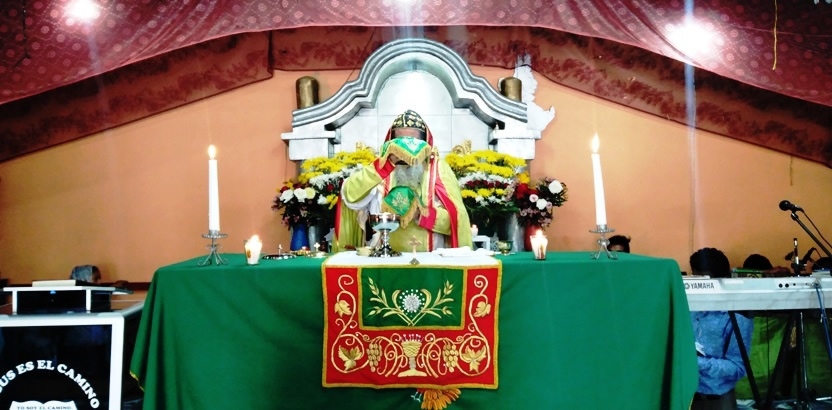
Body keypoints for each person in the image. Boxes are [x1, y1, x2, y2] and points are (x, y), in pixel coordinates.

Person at [334, 110, 472, 252]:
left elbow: (457, 222)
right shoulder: (380, 169)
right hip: (385, 258)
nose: (407, 149)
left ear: (424, 143)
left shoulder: (438, 169)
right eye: (400, 143)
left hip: (429, 259)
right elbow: (350, 197)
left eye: (413, 143)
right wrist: (384, 166)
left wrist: (421, 214)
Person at [690, 248, 754, 410]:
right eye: (695, 279)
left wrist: (695, 362)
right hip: (685, 395)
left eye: (705, 281)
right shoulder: (688, 306)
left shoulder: (736, 315)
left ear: (721, 280)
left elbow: (738, 368)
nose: (699, 287)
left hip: (716, 399)